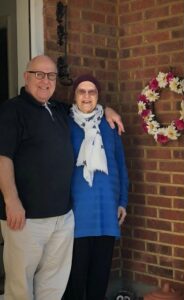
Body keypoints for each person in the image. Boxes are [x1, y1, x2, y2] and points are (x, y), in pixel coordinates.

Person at [0, 55, 124, 300]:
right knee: (20, 286)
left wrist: (107, 109)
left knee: (52, 286)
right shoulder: (12, 110)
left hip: (62, 218)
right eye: (39, 74)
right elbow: (3, 157)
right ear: (26, 76)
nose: (45, 81)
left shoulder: (58, 110)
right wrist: (11, 201)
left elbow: (88, 108)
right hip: (26, 218)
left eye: (51, 76)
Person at [63, 74, 129, 300]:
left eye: (92, 92)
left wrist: (123, 202)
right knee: (75, 277)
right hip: (77, 212)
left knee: (100, 278)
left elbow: (120, 164)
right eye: (82, 91)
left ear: (98, 96)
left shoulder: (109, 124)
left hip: (106, 211)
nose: (87, 96)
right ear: (74, 95)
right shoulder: (65, 123)